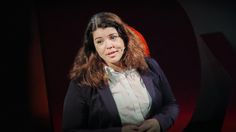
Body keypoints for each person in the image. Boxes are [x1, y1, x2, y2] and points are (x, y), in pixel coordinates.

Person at [62, 12, 179, 132]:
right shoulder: (82, 82)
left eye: (113, 37)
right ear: (94, 47)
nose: (108, 46)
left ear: (124, 37)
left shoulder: (149, 65)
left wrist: (159, 122)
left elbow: (171, 104)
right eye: (99, 41)